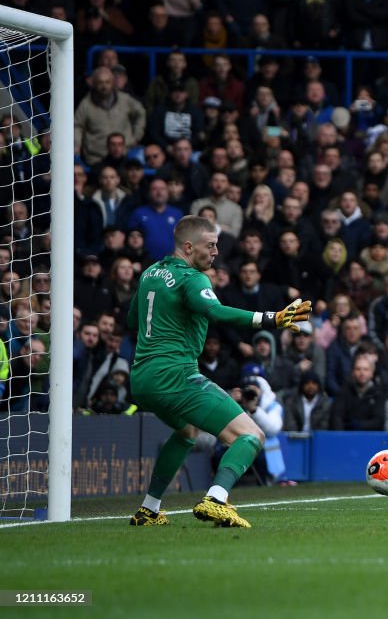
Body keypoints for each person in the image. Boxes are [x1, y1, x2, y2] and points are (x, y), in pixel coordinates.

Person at [127, 216, 311, 528]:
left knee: (186, 432)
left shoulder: (150, 273)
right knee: (251, 435)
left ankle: (149, 508)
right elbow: (216, 311)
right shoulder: (194, 279)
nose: (215, 252)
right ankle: (215, 498)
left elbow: (133, 320)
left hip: (142, 378)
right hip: (176, 376)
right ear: (188, 247)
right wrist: (273, 318)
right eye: (209, 245)